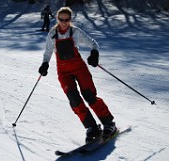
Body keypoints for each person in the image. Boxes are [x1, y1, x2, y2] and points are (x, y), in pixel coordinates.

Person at [38, 7, 117, 143]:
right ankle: (92, 128)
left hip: (79, 68)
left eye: (66, 19)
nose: (64, 22)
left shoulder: (75, 32)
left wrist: (94, 54)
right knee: (74, 100)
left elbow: (93, 44)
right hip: (63, 72)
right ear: (57, 19)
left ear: (70, 19)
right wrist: (45, 64)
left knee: (89, 96)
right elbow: (48, 52)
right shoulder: (52, 34)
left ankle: (109, 123)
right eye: (61, 19)